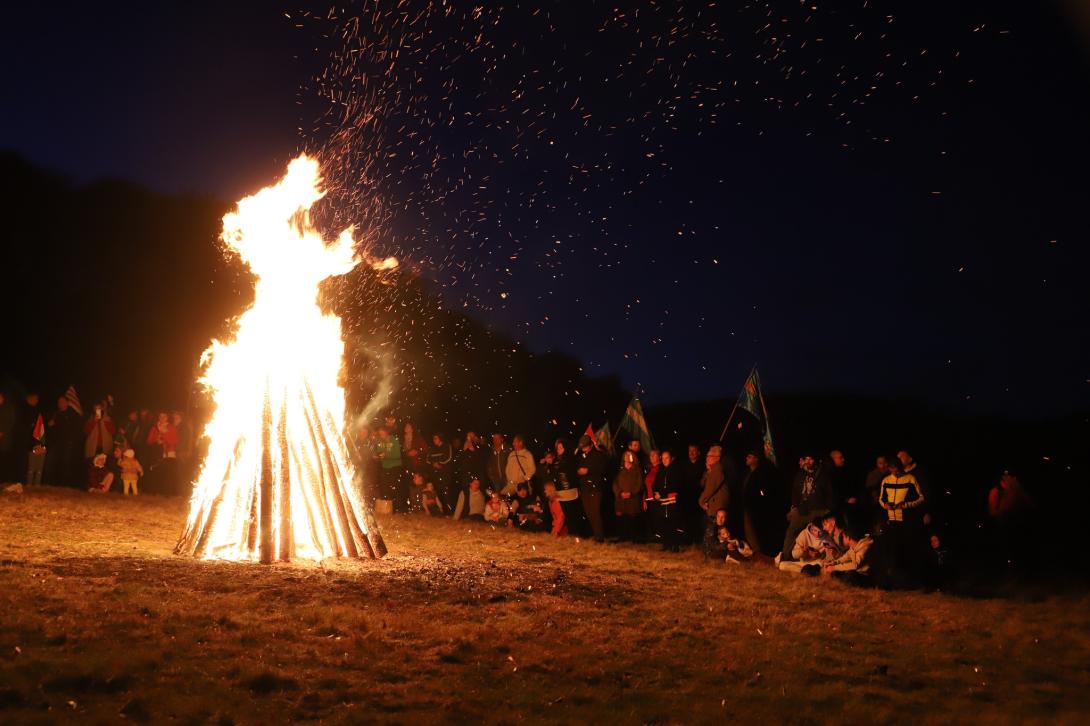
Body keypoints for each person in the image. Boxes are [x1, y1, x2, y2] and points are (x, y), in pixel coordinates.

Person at [780, 453, 834, 561]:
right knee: (791, 532)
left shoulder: (823, 474)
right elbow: (795, 490)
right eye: (806, 459)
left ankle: (829, 558)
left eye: (811, 459)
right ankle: (786, 557)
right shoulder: (801, 473)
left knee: (823, 535)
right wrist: (794, 507)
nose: (808, 461)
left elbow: (830, 492)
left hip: (819, 510)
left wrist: (828, 510)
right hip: (803, 510)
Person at [740, 450, 775, 556]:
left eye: (750, 456)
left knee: (756, 530)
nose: (747, 458)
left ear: (756, 459)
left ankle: (761, 552)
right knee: (749, 530)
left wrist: (760, 498)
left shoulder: (760, 473)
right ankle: (756, 551)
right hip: (747, 506)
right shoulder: (748, 473)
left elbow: (762, 491)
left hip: (756, 508)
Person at [576, 434, 608, 542]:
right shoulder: (582, 456)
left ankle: (600, 537)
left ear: (590, 445)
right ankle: (595, 534)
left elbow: (603, 470)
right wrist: (580, 472)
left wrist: (588, 470)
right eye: (582, 447)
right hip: (585, 488)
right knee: (589, 512)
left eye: (585, 447)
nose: (583, 449)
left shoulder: (598, 455)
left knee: (595, 512)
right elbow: (579, 468)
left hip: (595, 488)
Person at [650, 449, 684, 551]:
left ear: (671, 458)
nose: (664, 460)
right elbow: (655, 484)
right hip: (662, 502)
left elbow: (675, 485)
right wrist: (655, 492)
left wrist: (663, 493)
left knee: (673, 523)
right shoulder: (661, 470)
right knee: (663, 523)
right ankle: (666, 544)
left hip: (672, 502)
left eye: (667, 458)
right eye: (663, 458)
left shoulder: (676, 470)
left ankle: (675, 545)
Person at [45, 395, 82, 487]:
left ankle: (64, 485)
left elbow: (76, 429)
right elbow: (49, 429)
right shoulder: (55, 414)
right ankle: (48, 483)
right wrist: (49, 426)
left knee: (65, 464)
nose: (60, 403)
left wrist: (71, 441)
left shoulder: (72, 414)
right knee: (50, 463)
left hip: (67, 444)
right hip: (55, 443)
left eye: (62, 401)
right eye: (58, 402)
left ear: (67, 403)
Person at [613, 450, 644, 542]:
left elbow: (639, 484)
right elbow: (615, 483)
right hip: (621, 498)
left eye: (629, 455)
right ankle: (622, 536)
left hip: (632, 498)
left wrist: (632, 493)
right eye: (625, 455)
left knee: (632, 517)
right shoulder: (620, 470)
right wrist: (619, 492)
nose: (627, 456)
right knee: (622, 517)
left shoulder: (637, 470)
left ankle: (635, 537)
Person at [374, 426, 405, 511]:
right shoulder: (380, 441)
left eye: (382, 433)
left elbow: (398, 455)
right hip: (385, 467)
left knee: (395, 487)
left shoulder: (394, 440)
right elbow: (379, 452)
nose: (381, 435)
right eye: (380, 434)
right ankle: (388, 508)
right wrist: (377, 456)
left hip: (395, 466)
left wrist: (386, 455)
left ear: (387, 432)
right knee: (385, 487)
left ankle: (398, 508)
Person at [698, 445, 728, 522]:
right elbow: (702, 484)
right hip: (713, 507)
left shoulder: (717, 469)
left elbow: (710, 488)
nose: (707, 458)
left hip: (717, 508)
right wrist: (708, 472)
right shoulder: (711, 470)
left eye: (710, 456)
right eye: (707, 456)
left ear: (717, 458)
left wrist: (701, 501)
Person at [427, 433, 454, 510]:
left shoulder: (447, 446)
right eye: (433, 438)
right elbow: (428, 459)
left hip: (445, 473)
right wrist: (433, 464)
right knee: (437, 491)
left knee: (446, 491)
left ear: (440, 438)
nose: (434, 440)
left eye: (436, 438)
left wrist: (439, 463)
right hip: (435, 474)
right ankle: (441, 509)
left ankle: (449, 510)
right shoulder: (432, 448)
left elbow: (449, 458)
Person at [0, 392, 14, 481]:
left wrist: (2, 432)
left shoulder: (7, 408)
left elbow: (9, 422)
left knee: (3, 460)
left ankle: (3, 479)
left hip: (4, 441)